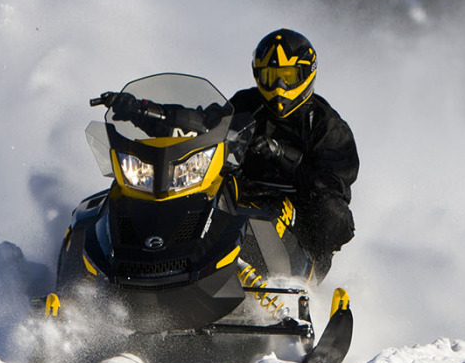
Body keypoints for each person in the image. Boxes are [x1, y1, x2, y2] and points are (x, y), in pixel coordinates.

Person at [108, 28, 358, 278]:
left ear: (305, 74)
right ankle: (144, 262)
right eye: (271, 76)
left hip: (295, 205)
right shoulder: (247, 104)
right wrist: (143, 111)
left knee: (333, 215)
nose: (279, 87)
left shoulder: (327, 125)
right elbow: (201, 122)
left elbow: (334, 182)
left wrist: (282, 155)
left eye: (288, 76)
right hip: (238, 191)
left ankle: (295, 284)